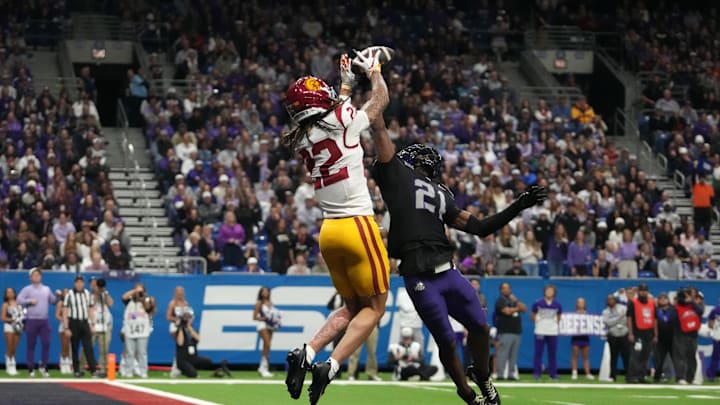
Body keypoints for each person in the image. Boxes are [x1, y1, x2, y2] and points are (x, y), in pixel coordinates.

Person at [370, 118, 546, 403]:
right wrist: (519, 205)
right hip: (421, 276)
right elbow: (481, 227)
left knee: (479, 327)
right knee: (450, 339)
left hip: (446, 273)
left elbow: (479, 227)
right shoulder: (425, 187)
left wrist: (519, 205)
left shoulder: (434, 191)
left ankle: (481, 377)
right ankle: (467, 394)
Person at [284, 49, 391, 405]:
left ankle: (307, 350)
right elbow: (381, 100)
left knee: (350, 307)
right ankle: (330, 365)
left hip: (329, 232)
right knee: (374, 308)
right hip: (358, 225)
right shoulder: (340, 117)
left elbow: (332, 119)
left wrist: (345, 86)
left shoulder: (301, 137)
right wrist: (373, 71)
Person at [16, 267, 57, 377]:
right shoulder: (27, 289)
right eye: (34, 275)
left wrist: (59, 295)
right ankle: (30, 368)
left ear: (41, 277)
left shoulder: (47, 289)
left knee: (46, 343)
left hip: (44, 321)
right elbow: (18, 300)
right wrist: (29, 301)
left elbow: (53, 301)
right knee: (31, 345)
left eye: (38, 275)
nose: (36, 277)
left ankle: (44, 366)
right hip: (31, 320)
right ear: (30, 278)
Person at [62, 275, 102, 378]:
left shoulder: (87, 294)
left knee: (88, 347)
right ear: (74, 283)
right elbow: (65, 312)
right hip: (74, 322)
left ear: (83, 283)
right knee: (74, 347)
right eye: (77, 282)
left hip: (84, 322)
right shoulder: (69, 295)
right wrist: (66, 327)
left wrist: (92, 324)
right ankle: (76, 370)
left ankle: (93, 370)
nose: (79, 284)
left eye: (81, 282)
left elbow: (90, 310)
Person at [120, 283, 155, 378]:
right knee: (130, 352)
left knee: (142, 352)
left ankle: (143, 371)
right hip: (130, 330)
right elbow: (123, 297)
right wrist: (135, 291)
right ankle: (129, 370)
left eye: (141, 290)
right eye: (137, 290)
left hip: (142, 331)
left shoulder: (147, 300)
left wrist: (143, 298)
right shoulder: (129, 301)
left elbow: (148, 309)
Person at [625, 283, 657, 383]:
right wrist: (630, 333)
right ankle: (631, 376)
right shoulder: (633, 303)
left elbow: (655, 320)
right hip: (637, 333)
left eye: (645, 291)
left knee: (645, 356)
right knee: (636, 355)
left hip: (648, 333)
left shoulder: (652, 303)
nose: (643, 293)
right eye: (641, 291)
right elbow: (629, 319)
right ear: (638, 292)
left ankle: (641, 376)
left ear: (647, 292)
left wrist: (656, 334)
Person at [494, 282, 525, 380]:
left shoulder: (513, 300)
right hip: (505, 331)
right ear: (501, 290)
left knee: (513, 355)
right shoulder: (500, 300)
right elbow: (506, 311)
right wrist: (517, 308)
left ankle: (511, 374)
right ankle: (500, 374)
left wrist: (516, 301)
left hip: (516, 331)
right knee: (503, 353)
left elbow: (524, 308)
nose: (506, 290)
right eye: (504, 288)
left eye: (508, 288)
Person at [531, 285, 562, 381]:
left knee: (552, 353)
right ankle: (537, 373)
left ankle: (553, 374)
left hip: (552, 331)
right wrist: (538, 323)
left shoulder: (557, 304)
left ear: (554, 292)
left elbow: (559, 316)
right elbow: (532, 314)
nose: (549, 292)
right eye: (547, 290)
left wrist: (554, 325)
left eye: (551, 291)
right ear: (544, 292)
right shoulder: (538, 303)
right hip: (540, 330)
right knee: (538, 353)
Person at [672, 287, 703, 384]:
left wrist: (691, 301)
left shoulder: (694, 306)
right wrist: (680, 301)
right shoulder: (676, 307)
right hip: (680, 334)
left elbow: (700, 311)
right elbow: (672, 319)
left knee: (692, 357)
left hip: (692, 335)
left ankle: (690, 377)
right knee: (680, 356)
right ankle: (681, 377)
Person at [173, 306, 214, 377]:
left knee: (208, 361)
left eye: (189, 317)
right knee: (193, 374)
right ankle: (182, 369)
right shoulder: (179, 330)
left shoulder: (191, 330)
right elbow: (180, 343)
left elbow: (198, 339)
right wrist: (181, 327)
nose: (188, 319)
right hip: (182, 359)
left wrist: (189, 327)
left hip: (192, 358)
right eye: (186, 317)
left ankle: (189, 368)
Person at [85, 277, 113, 373]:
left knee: (104, 349)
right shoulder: (87, 294)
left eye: (96, 283)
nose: (95, 285)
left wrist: (103, 292)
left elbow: (110, 304)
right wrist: (97, 294)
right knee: (88, 347)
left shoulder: (105, 293)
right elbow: (91, 304)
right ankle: (81, 367)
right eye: (93, 283)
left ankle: (102, 369)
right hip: (92, 325)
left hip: (105, 325)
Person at [254, 287, 281, 378]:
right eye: (263, 291)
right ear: (261, 293)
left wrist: (275, 320)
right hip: (262, 325)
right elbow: (254, 317)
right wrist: (265, 319)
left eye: (267, 291)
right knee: (267, 344)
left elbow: (274, 314)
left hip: (270, 325)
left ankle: (263, 367)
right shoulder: (259, 303)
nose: (265, 293)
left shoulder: (270, 303)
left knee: (267, 346)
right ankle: (263, 368)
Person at [602, 294, 629, 381]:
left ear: (615, 300)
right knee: (613, 356)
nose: (610, 301)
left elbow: (626, 319)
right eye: (608, 300)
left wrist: (617, 320)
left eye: (611, 299)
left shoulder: (623, 308)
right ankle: (612, 375)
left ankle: (628, 374)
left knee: (626, 356)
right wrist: (618, 318)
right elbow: (607, 322)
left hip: (624, 334)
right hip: (613, 336)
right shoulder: (605, 312)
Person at [570, 298, 594, 380]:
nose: (581, 304)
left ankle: (587, 373)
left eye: (582, 302)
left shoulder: (589, 315)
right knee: (575, 355)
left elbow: (592, 325)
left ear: (585, 304)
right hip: (576, 337)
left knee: (585, 356)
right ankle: (574, 372)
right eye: (579, 302)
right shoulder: (572, 315)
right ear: (576, 304)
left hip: (585, 337)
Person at [653, 292, 675, 383]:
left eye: (664, 298)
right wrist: (655, 335)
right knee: (659, 359)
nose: (662, 300)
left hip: (672, 338)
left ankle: (680, 377)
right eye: (660, 298)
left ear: (668, 300)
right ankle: (657, 377)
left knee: (675, 359)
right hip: (660, 339)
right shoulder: (656, 311)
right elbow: (654, 324)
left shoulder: (673, 310)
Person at [2, 287, 22, 376]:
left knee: (14, 348)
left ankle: (13, 365)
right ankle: (9, 366)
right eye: (8, 292)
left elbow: (22, 315)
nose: (10, 294)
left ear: (14, 293)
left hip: (17, 327)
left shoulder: (19, 304)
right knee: (9, 347)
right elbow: (2, 317)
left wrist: (21, 319)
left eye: (11, 292)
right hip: (9, 327)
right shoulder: (5, 304)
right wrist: (13, 319)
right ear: (6, 295)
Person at [55, 289, 72, 374]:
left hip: (72, 327)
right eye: (65, 292)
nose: (66, 294)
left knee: (69, 347)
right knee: (64, 346)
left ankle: (68, 365)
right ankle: (63, 364)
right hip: (63, 327)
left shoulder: (73, 303)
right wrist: (64, 320)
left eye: (68, 292)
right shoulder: (60, 303)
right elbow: (57, 316)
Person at [708, 298, 720, 382]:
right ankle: (711, 375)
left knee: (715, 357)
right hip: (718, 336)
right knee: (715, 357)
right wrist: (715, 329)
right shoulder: (716, 310)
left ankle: (711, 375)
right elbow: (710, 322)